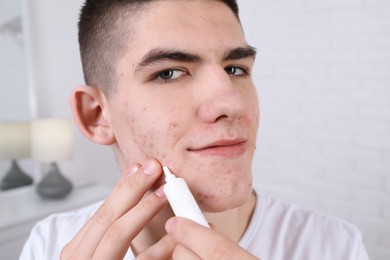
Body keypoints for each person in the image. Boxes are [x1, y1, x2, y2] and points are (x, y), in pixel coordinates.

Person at [20, 0, 370, 259]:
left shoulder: (334, 245)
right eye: (169, 72)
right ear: (97, 116)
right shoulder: (49, 244)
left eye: (236, 69)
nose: (232, 103)